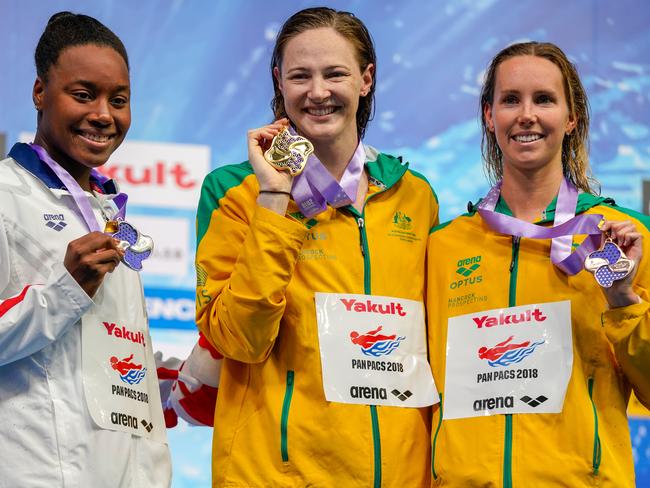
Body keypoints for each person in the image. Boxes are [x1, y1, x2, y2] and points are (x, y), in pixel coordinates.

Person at [165, 6, 439, 486]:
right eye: (300, 75)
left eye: (335, 74)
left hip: (400, 475)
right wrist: (276, 197)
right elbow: (238, 340)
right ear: (279, 82)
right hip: (274, 473)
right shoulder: (234, 191)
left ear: (366, 79)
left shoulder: (414, 195)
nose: (318, 92)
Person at [427, 41, 650, 486]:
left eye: (544, 99)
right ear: (490, 117)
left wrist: (622, 297)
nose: (526, 114)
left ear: (571, 118)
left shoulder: (622, 238)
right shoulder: (443, 246)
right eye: (511, 100)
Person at [0, 12, 171, 487]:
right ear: (39, 92)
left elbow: (117, 358)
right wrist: (63, 290)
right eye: (83, 95)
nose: (103, 114)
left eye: (118, 100)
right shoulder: (4, 197)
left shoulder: (109, 213)